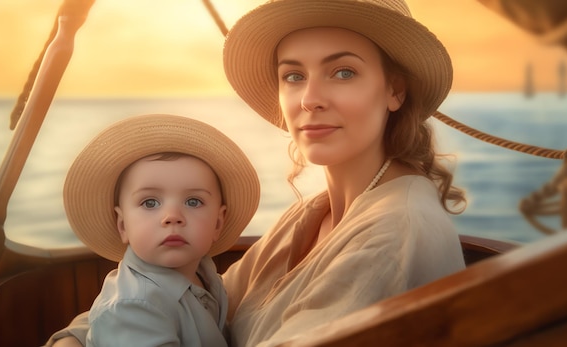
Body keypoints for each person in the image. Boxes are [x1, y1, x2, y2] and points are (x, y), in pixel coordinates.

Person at [47, 0, 467, 346]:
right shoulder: (310, 216)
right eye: (294, 76)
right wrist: (76, 338)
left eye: (343, 72)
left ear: (395, 90)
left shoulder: (396, 233)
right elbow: (189, 298)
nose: (310, 99)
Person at [48, 114, 259, 347]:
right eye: (150, 203)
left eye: (193, 202)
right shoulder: (133, 308)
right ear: (122, 225)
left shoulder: (204, 274)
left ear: (218, 223)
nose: (172, 217)